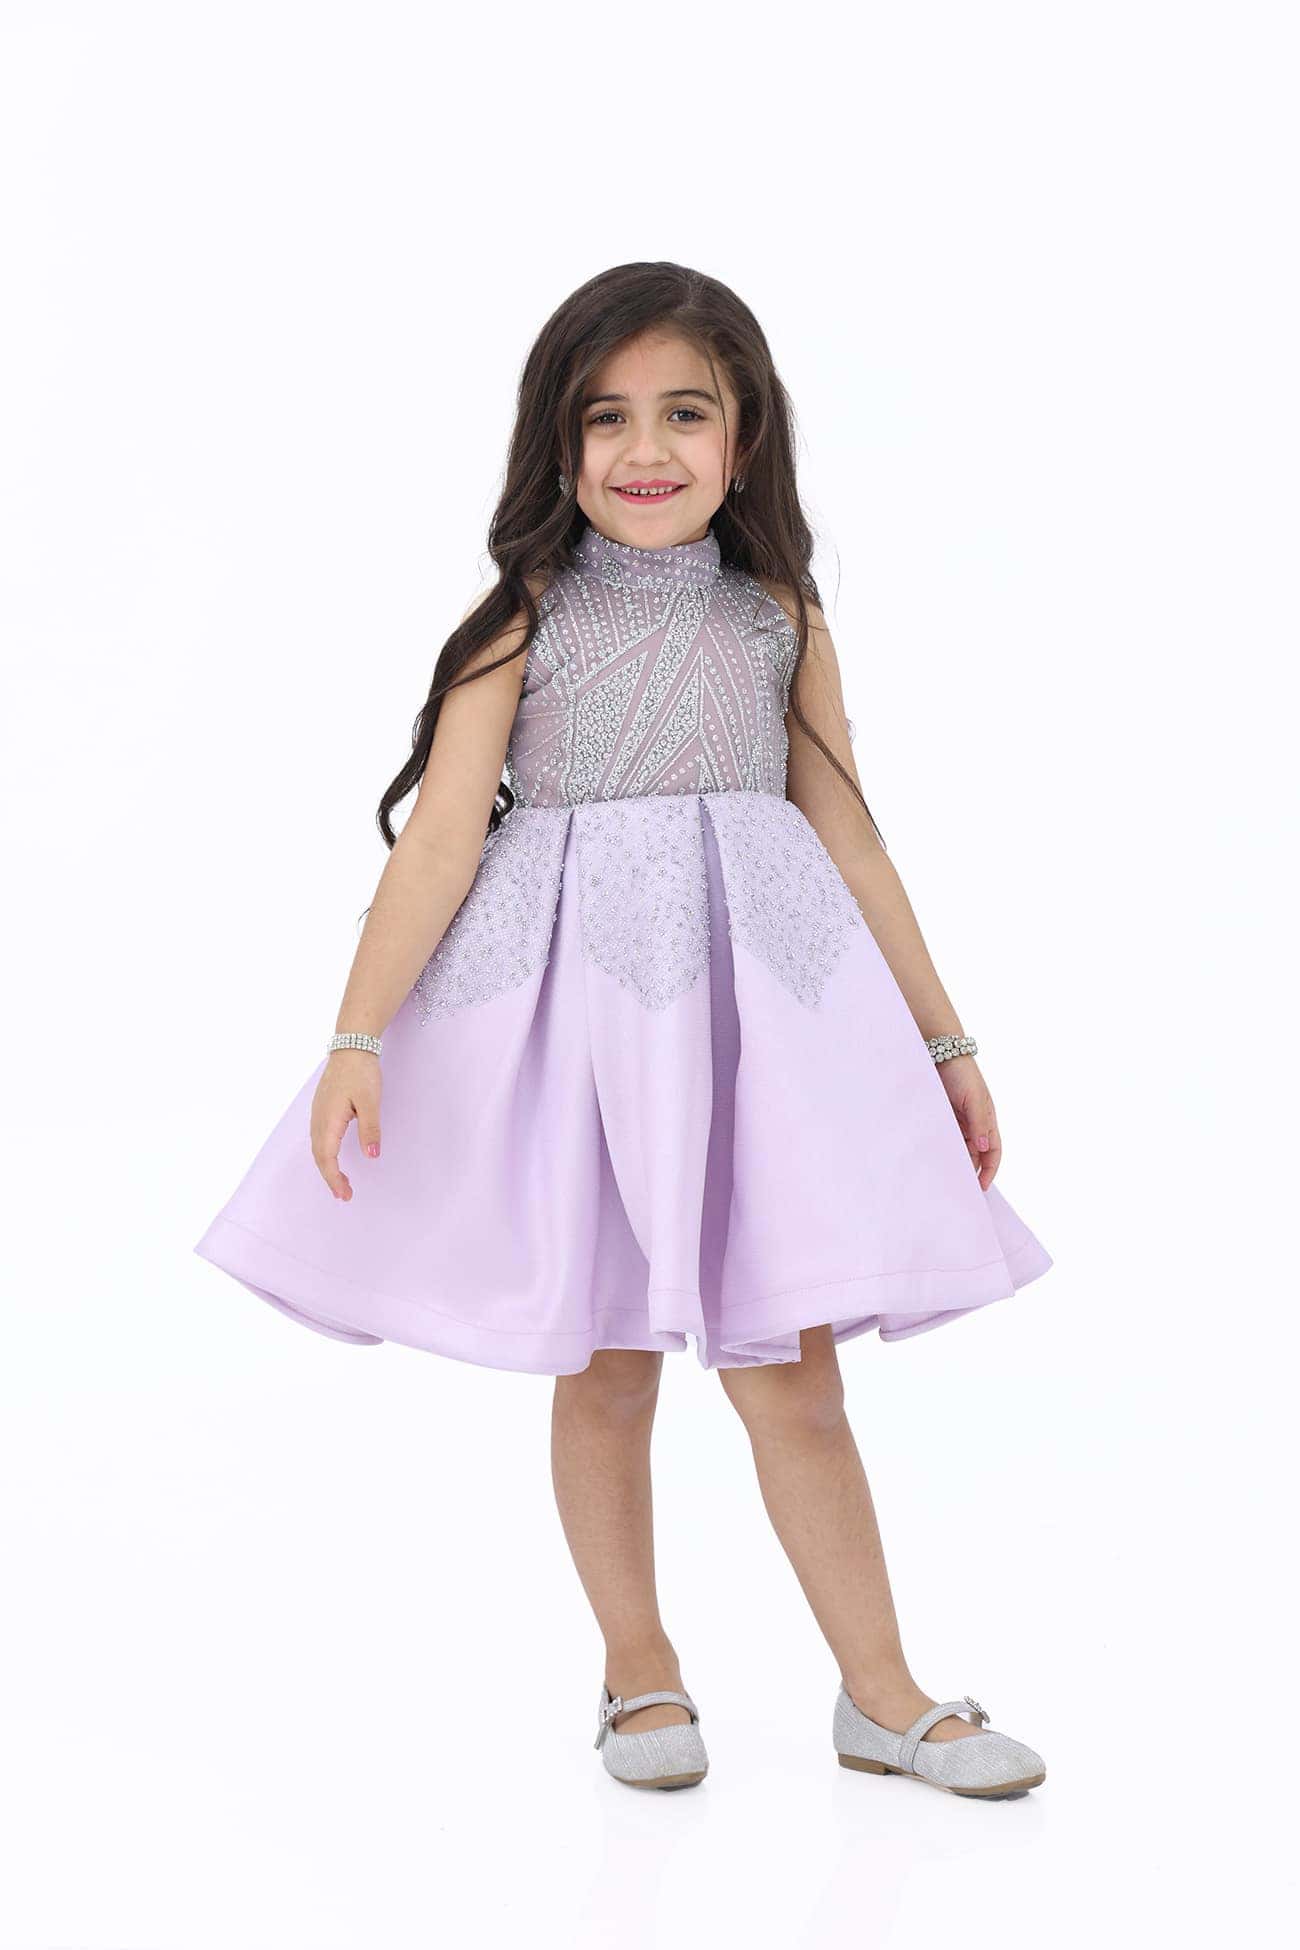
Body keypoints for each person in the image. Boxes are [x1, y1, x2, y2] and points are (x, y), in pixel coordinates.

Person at [194, 261, 1054, 1798]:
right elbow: (441, 839)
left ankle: (884, 1692)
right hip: (579, 1033)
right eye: (606, 417)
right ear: (559, 439)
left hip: (755, 1035)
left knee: (792, 1373)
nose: (645, 448)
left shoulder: (779, 618)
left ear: (745, 436)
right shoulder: (525, 620)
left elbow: (852, 837)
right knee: (604, 1365)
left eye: (685, 413)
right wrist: (357, 1036)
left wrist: (946, 1045)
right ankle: (638, 1667)